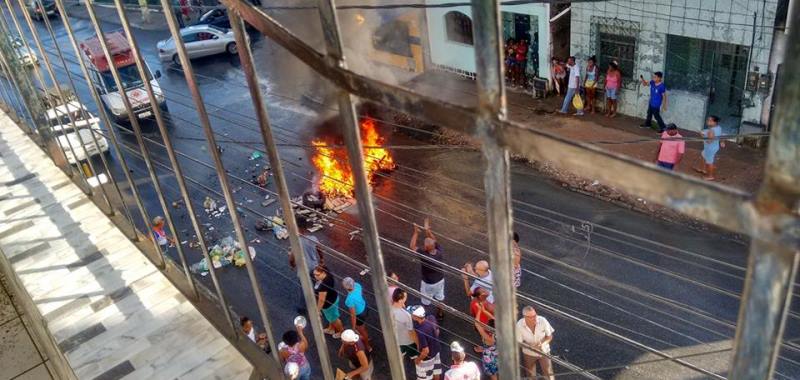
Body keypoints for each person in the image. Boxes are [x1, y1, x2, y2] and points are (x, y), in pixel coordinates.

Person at [410, 218, 445, 321]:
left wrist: (416, 232)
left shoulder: (424, 255)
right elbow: (435, 240)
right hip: (440, 279)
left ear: (426, 248)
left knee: (425, 300)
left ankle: (423, 316)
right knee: (440, 297)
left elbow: (412, 246)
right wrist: (427, 231)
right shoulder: (439, 251)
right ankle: (440, 312)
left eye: (424, 245)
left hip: (428, 283)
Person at [516, 306, 555, 380]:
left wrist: (543, 344)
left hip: (544, 351)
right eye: (531, 317)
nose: (534, 318)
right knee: (530, 374)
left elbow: (549, 336)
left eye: (535, 315)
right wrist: (530, 347)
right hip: (528, 353)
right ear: (525, 317)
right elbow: (519, 342)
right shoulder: (519, 325)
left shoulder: (542, 320)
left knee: (548, 373)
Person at [290, 234, 324, 314]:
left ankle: (302, 308)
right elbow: (320, 250)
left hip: (303, 270)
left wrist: (293, 265)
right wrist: (322, 260)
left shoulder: (296, 241)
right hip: (314, 268)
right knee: (317, 287)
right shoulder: (313, 238)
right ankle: (320, 306)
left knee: (303, 289)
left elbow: (292, 258)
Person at [411, 305, 442, 380]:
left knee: (425, 377)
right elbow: (437, 331)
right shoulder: (431, 318)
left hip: (427, 359)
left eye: (412, 314)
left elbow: (426, 350)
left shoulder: (420, 331)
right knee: (436, 372)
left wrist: (418, 360)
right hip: (436, 352)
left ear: (416, 317)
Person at [312, 265, 343, 338]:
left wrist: (318, 310)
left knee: (335, 319)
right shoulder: (328, 275)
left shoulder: (323, 285)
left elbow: (321, 300)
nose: (315, 276)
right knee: (331, 318)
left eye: (317, 275)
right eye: (314, 274)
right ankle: (331, 329)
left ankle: (341, 332)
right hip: (333, 298)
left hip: (329, 305)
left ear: (324, 273)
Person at [343, 277, 372, 352]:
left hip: (360, 314)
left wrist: (353, 327)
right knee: (363, 328)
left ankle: (367, 345)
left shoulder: (349, 300)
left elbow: (353, 315)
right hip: (365, 307)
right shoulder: (357, 285)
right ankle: (366, 338)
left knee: (362, 330)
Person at [391, 288, 419, 359]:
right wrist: (418, 343)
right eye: (405, 297)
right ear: (400, 301)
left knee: (401, 353)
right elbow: (411, 332)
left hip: (396, 340)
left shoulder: (388, 309)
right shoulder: (406, 315)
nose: (406, 298)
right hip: (408, 341)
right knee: (414, 355)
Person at [695, 115, 724, 181]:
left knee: (709, 162)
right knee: (703, 155)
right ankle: (703, 169)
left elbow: (709, 141)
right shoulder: (719, 127)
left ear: (715, 122)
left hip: (710, 148)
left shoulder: (711, 131)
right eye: (708, 120)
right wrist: (722, 142)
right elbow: (721, 135)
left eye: (710, 121)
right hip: (714, 147)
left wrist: (701, 134)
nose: (708, 122)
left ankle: (710, 176)